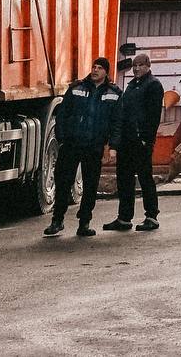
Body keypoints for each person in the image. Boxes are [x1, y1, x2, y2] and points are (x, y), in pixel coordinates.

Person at [46, 56, 120, 237]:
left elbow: (117, 122)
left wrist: (112, 146)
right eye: (94, 67)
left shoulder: (114, 93)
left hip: (93, 146)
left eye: (100, 68)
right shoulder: (77, 88)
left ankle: (84, 223)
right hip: (72, 144)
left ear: (106, 72)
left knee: (90, 185)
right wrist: (62, 138)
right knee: (63, 182)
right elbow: (63, 114)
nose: (95, 70)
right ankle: (57, 221)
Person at [105, 51, 165, 231]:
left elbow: (154, 116)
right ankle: (124, 218)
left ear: (148, 66)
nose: (137, 69)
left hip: (141, 141)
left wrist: (147, 139)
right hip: (126, 141)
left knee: (145, 178)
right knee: (124, 179)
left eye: (140, 65)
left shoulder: (153, 85)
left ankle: (152, 216)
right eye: (134, 66)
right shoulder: (131, 86)